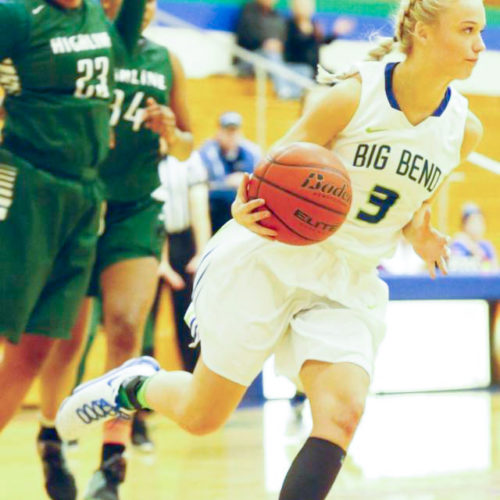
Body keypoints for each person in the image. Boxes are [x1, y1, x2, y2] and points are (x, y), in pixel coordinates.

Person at [56, 2, 486, 500]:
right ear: (425, 34)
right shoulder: (352, 96)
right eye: (467, 30)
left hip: (348, 277)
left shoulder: (463, 129)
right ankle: (135, 386)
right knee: (201, 417)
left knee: (342, 413)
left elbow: (413, 212)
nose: (479, 44)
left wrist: (423, 236)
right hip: (274, 258)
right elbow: (273, 170)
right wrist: (244, 206)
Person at [33, 0, 193, 498]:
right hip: (79, 204)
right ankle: (49, 436)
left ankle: (113, 459)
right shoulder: (83, 50)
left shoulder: (167, 60)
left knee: (126, 325)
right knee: (69, 336)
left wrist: (171, 131)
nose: (139, 9)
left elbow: (188, 145)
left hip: (134, 209)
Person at [0, 0, 146, 498]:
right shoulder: (17, 16)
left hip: (85, 196)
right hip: (25, 185)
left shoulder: (101, 23)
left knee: (37, 345)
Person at [153, 152, 212, 373]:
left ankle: (194, 382)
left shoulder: (190, 159)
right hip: (151, 239)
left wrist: (201, 253)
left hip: (184, 241)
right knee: (144, 322)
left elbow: (199, 207)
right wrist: (161, 260)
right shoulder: (144, 156)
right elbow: (154, 211)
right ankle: (139, 391)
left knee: (189, 319)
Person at [235, 0, 308, 99]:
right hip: (248, 59)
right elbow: (245, 37)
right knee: (271, 53)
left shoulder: (278, 16)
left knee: (304, 69)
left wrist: (281, 46)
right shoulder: (249, 10)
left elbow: (285, 42)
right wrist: (265, 43)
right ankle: (283, 92)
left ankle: (295, 95)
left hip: (273, 62)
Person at [285, 0, 355, 75]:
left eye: (308, 5)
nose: (305, 8)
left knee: (336, 76)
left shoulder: (313, 24)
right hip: (299, 68)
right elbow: (298, 44)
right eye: (302, 5)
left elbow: (320, 41)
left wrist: (335, 33)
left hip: (314, 67)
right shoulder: (290, 25)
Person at [198, 111, 261, 188]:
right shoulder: (208, 152)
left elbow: (258, 181)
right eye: (228, 132)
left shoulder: (252, 151)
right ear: (219, 132)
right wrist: (227, 182)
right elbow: (209, 184)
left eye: (234, 131)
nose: (232, 136)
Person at [449, 202, 498, 272]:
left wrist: (473, 247)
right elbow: (455, 267)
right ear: (464, 225)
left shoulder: (486, 246)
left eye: (480, 221)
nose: (477, 225)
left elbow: (494, 269)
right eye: (473, 221)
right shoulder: (458, 244)